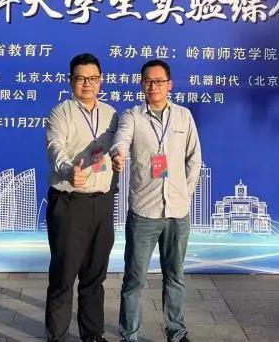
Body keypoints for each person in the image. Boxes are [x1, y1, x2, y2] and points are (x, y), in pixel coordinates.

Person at [111, 59, 202, 342]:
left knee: (175, 277)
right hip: (144, 212)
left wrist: (184, 194)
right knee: (134, 279)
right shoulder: (133, 116)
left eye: (159, 81)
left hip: (177, 213)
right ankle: (130, 335)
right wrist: (118, 154)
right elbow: (121, 139)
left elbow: (194, 158)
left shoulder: (184, 116)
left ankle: (176, 332)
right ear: (142, 85)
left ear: (169, 85)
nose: (154, 86)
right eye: (148, 81)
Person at [44, 53, 124, 342]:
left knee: (95, 275)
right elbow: (55, 147)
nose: (87, 84)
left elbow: (118, 145)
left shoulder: (112, 114)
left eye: (93, 78)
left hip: (102, 202)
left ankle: (92, 335)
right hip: (70, 203)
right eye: (81, 78)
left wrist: (118, 158)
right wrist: (68, 171)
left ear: (101, 81)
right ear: (71, 81)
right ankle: (57, 336)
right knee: (64, 275)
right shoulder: (61, 113)